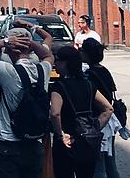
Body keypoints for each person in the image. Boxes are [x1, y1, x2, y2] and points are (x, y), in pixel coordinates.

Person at [0, 21, 54, 178]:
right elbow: (48, 53)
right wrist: (30, 41)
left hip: (8, 141)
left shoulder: (8, 71)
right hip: (34, 142)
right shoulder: (44, 70)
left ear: (10, 50)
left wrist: (5, 41)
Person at [50, 45, 113, 178]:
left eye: (58, 60)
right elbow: (108, 109)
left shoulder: (59, 87)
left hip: (67, 140)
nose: (55, 64)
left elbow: (55, 113)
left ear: (66, 63)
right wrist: (95, 127)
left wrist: (61, 134)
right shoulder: (89, 84)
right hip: (87, 140)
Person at [81, 39, 121, 178]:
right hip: (109, 121)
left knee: (98, 165)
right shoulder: (104, 71)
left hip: (99, 119)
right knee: (110, 163)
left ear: (86, 54)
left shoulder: (89, 74)